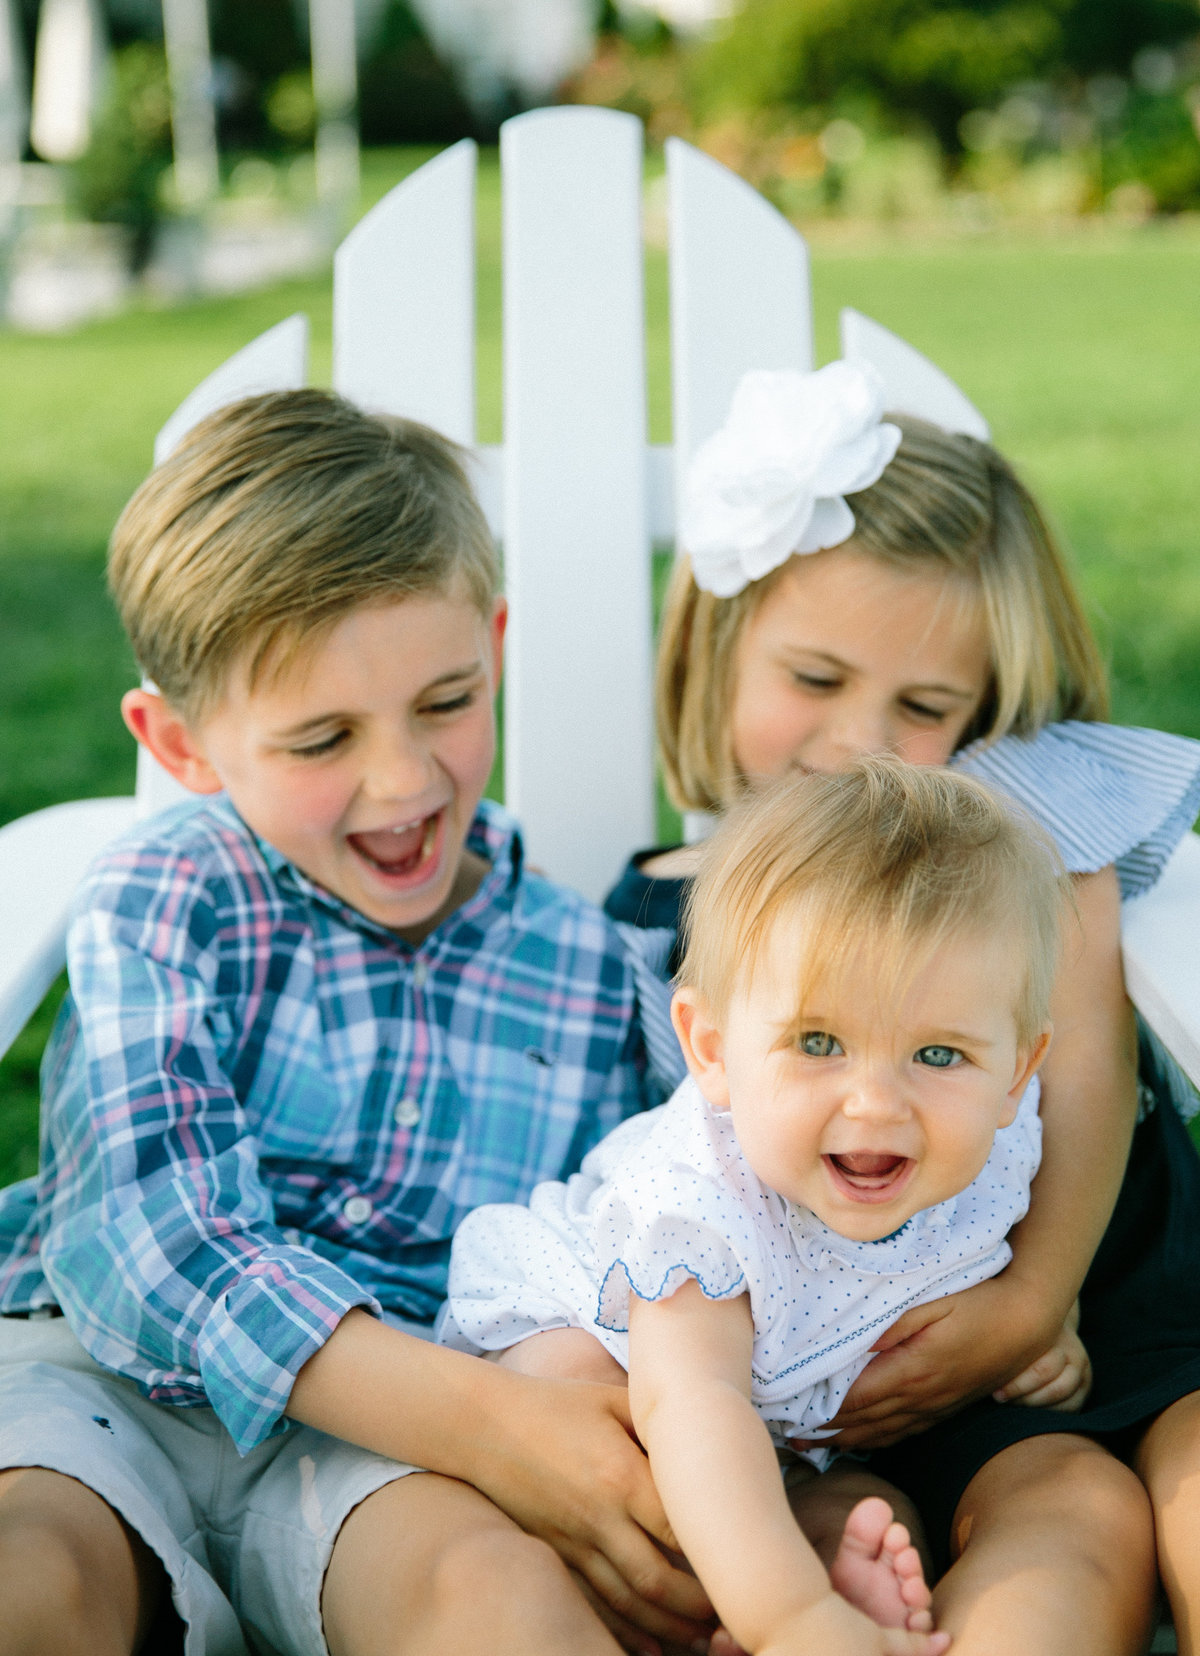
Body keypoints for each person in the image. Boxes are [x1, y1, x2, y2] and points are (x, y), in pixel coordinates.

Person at [0, 389, 719, 1656]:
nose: (403, 781)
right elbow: (142, 1241)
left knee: (502, 1608)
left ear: (494, 646)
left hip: (379, 1453)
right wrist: (499, 1429)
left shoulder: (588, 970)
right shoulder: (175, 896)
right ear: (181, 741)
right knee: (31, 1585)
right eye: (324, 736)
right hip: (95, 1378)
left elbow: (673, 1212)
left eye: (447, 703)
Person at [604, 362, 1200, 1655]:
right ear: (717, 647)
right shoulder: (654, 925)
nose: (860, 743)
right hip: (820, 1406)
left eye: (924, 709)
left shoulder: (1024, 843)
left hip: (1090, 1325)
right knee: (968, 1526)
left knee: (1126, 1514)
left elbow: (1087, 1067)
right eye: (813, 680)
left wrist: (1032, 1301)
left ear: (988, 712)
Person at [439, 758, 1091, 1656]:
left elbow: (980, 1239)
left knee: (871, 1508)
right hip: (615, 1348)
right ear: (709, 1048)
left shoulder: (994, 1142)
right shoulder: (700, 1215)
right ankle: (760, 1607)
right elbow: (693, 1406)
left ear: (1018, 1070)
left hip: (787, 1423)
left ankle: (815, 1557)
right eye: (820, 1042)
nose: (877, 1106)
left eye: (938, 1056)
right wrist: (797, 1625)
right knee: (617, 1431)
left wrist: (1054, 1323)